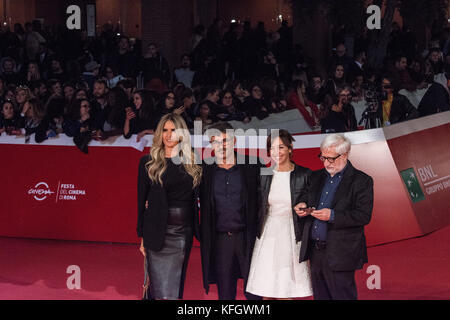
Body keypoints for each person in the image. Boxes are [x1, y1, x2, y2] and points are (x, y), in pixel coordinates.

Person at [294, 134, 374, 300]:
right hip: (315, 252)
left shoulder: (361, 180)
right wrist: (302, 205)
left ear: (344, 155)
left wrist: (333, 215)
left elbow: (363, 216)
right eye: (322, 157)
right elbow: (306, 197)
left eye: (330, 159)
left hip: (341, 251)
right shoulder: (315, 176)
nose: (325, 163)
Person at [137, 113, 202, 300]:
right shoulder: (148, 163)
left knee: (173, 288)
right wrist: (142, 236)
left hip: (182, 233)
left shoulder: (193, 161)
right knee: (158, 290)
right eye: (164, 130)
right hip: (156, 232)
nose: (168, 134)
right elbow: (141, 203)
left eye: (173, 130)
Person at [246, 130, 313, 300]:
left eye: (281, 147)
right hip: (268, 235)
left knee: (285, 289)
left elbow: (313, 203)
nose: (277, 152)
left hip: (292, 234)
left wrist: (305, 206)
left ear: (290, 148)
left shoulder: (305, 174)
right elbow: (258, 207)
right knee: (266, 289)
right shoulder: (264, 175)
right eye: (272, 148)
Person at [199, 121, 261, 300]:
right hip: (220, 240)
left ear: (234, 142)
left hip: (248, 238)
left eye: (225, 141)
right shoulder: (204, 170)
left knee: (254, 292)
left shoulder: (252, 165)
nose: (221, 146)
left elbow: (269, 195)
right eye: (216, 142)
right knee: (225, 293)